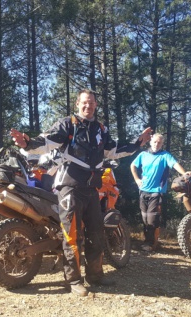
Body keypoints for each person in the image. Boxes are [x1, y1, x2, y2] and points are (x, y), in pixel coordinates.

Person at [10, 89, 152, 297]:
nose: (88, 106)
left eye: (92, 103)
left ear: (96, 105)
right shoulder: (68, 124)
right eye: (85, 103)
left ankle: (95, 275)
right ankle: (74, 280)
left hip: (91, 188)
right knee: (72, 234)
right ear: (77, 103)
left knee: (96, 232)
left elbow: (113, 150)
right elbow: (48, 141)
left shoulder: (100, 129)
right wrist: (28, 143)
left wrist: (138, 143)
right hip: (70, 187)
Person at [130, 133, 191, 252]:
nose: (156, 144)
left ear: (162, 144)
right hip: (143, 190)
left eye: (159, 142)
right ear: (150, 142)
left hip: (157, 191)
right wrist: (137, 179)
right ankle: (148, 242)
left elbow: (175, 164)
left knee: (152, 218)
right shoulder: (143, 155)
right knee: (144, 217)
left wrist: (184, 174)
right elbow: (133, 165)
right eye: (154, 142)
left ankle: (151, 244)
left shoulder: (165, 155)